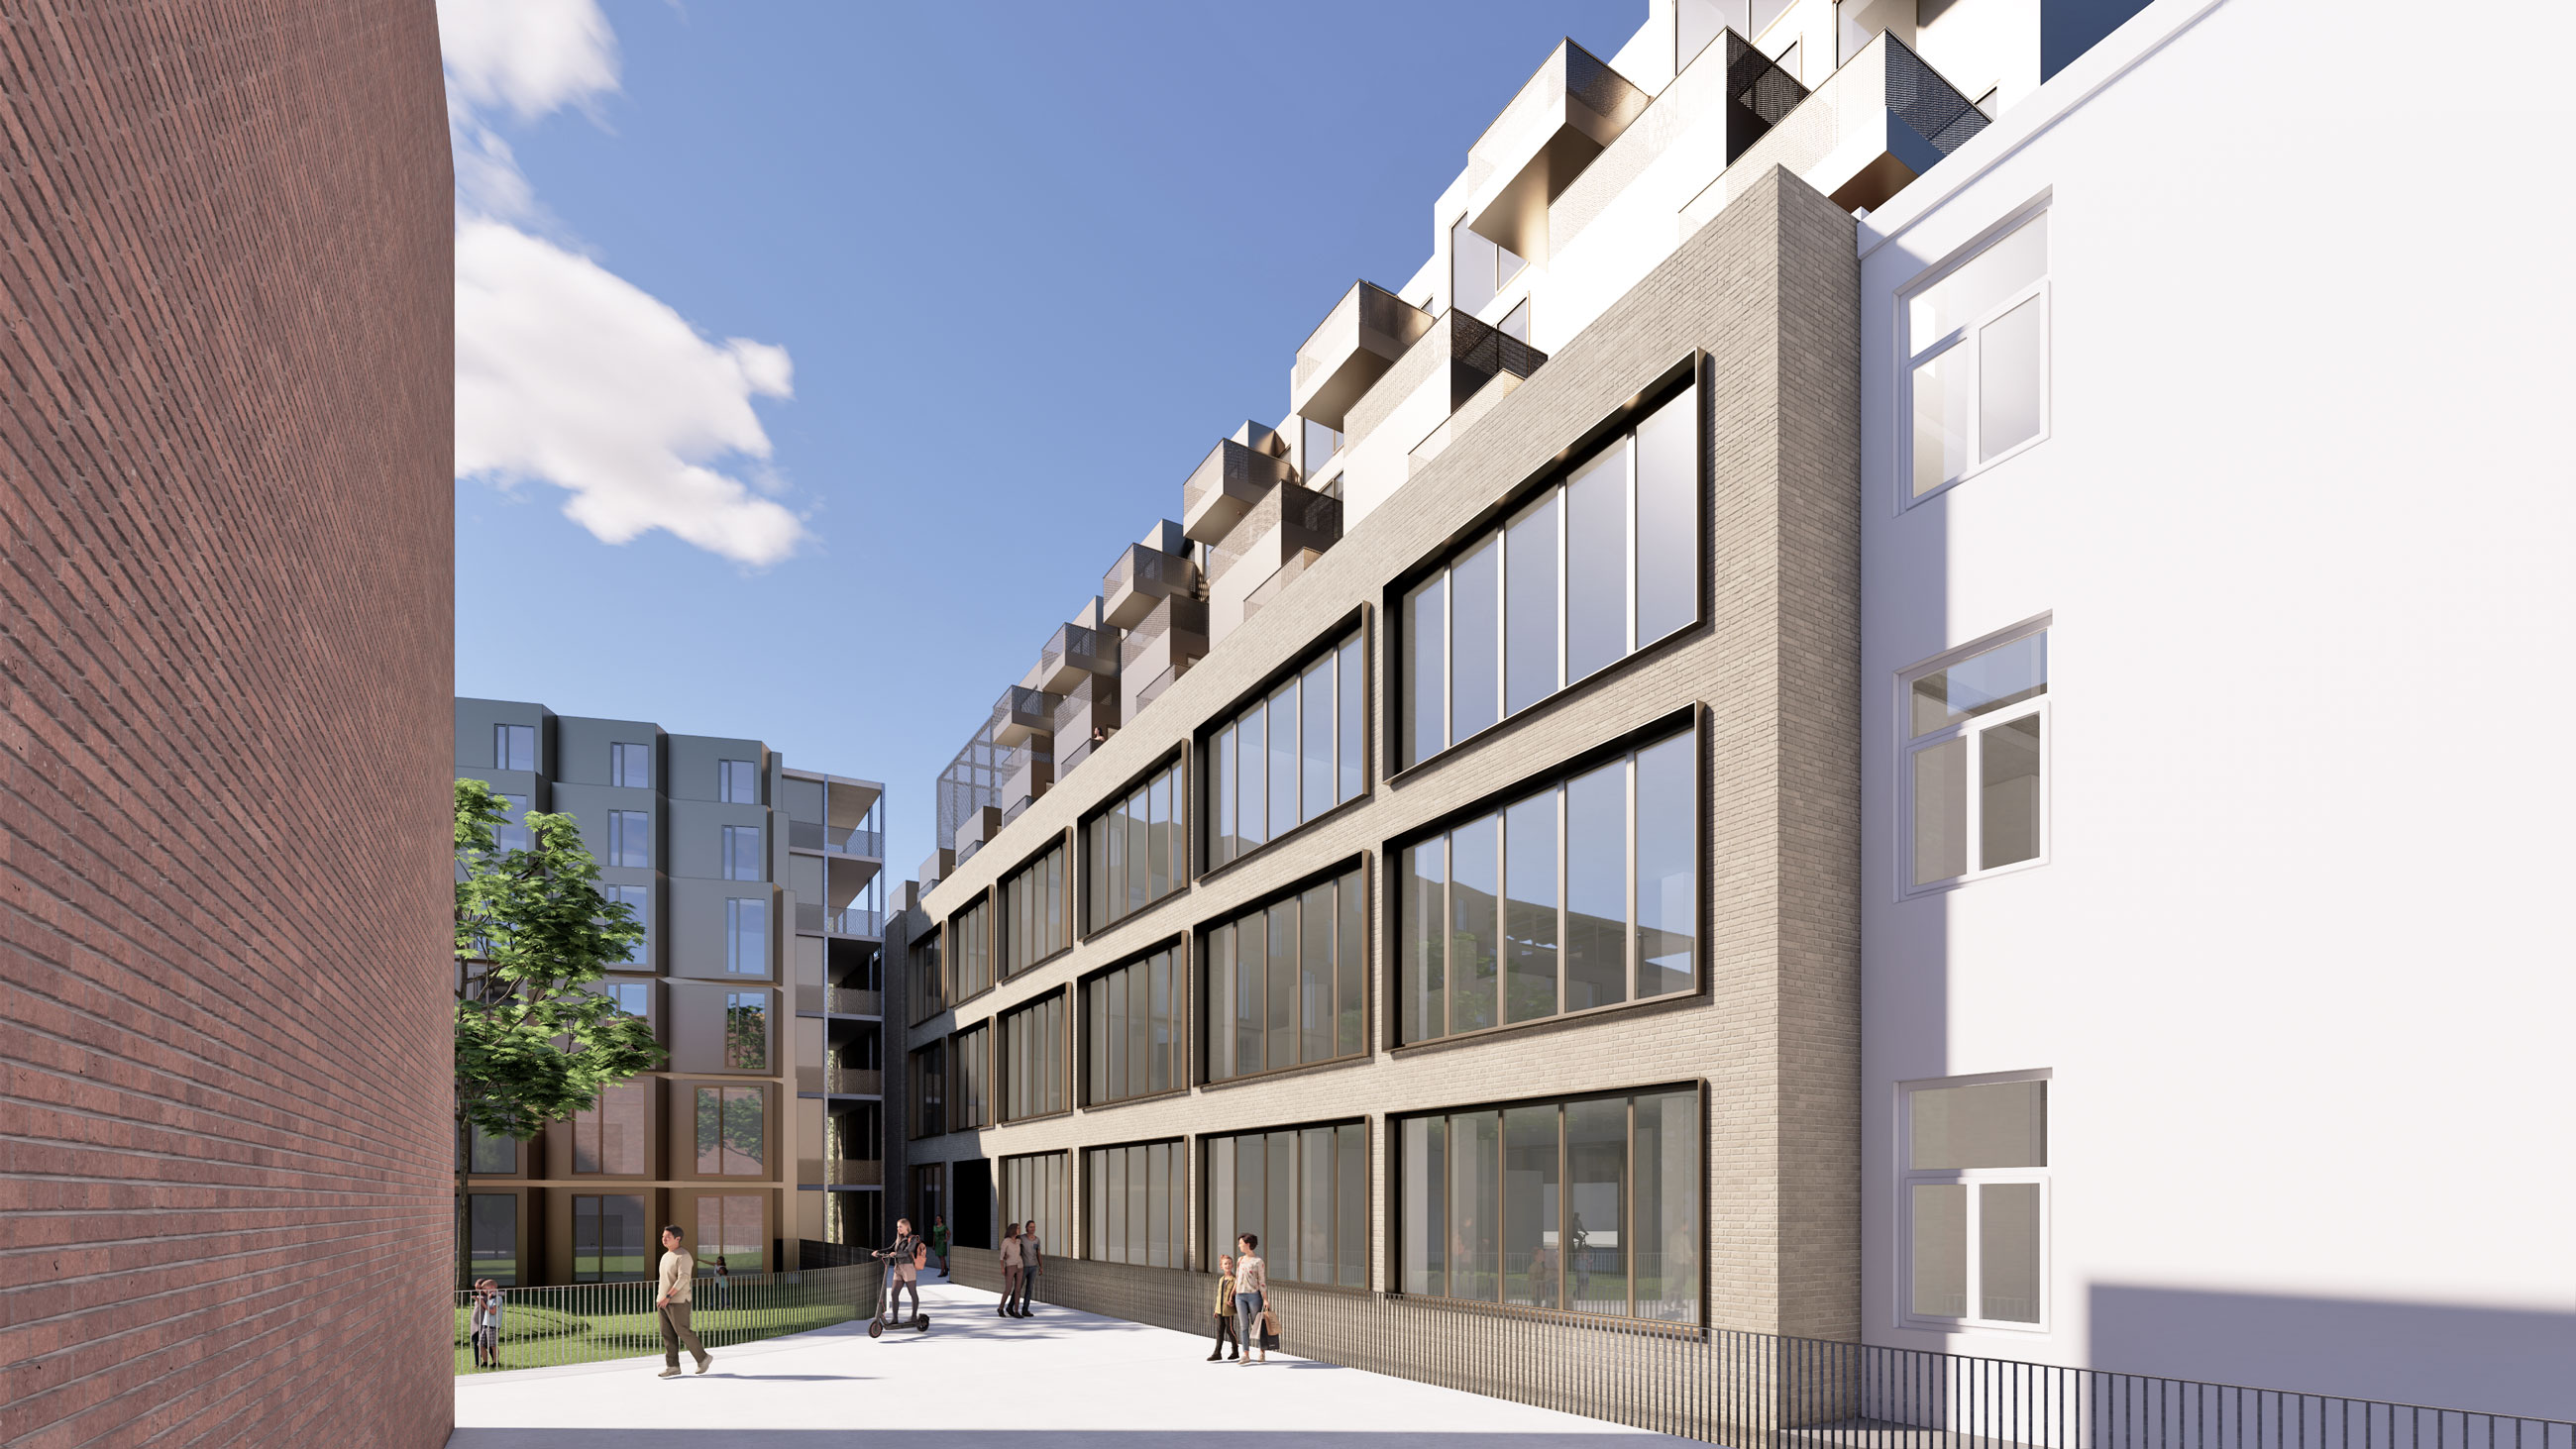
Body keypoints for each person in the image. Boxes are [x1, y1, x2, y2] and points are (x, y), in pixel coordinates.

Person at [653, 1224, 712, 1379]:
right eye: (663, 1236)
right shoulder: (666, 1256)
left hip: (677, 1300)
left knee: (682, 1331)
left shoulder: (683, 1256)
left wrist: (668, 1296)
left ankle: (703, 1358)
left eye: (668, 1237)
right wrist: (660, 1298)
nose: (664, 1239)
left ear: (677, 1238)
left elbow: (683, 1279)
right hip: (663, 1301)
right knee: (667, 1334)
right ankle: (672, 1366)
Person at [1232, 1233, 1269, 1366]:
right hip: (1240, 1296)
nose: (1239, 1245)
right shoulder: (1240, 1259)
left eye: (1240, 1243)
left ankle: (1262, 1352)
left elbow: (1262, 1281)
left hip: (1254, 1296)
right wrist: (1232, 1294)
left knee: (1256, 1325)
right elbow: (1237, 1278)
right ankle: (1246, 1354)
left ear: (1248, 1244)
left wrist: (1265, 1299)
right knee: (1243, 1325)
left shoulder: (1258, 1261)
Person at [879, 1217, 923, 1322]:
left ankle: (913, 1317)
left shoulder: (912, 1238)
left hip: (908, 1268)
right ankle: (894, 1319)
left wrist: (896, 1254)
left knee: (912, 1292)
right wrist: (878, 1252)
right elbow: (890, 1248)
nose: (898, 1229)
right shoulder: (899, 1238)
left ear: (907, 1227)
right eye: (897, 1227)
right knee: (894, 1293)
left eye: (900, 1227)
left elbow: (908, 1252)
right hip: (898, 1268)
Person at [1206, 1254, 1238, 1362]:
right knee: (1219, 1331)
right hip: (1219, 1309)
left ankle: (1235, 1351)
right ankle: (1217, 1353)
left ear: (1232, 1265)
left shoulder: (1235, 1280)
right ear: (1221, 1266)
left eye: (1229, 1263)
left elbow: (1236, 1295)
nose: (1228, 1265)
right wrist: (1216, 1309)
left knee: (1230, 1330)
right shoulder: (1221, 1279)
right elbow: (1218, 1295)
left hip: (1228, 1310)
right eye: (1225, 1264)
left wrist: (1233, 1303)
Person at [469, 1280, 503, 1369]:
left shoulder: (497, 1298)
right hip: (485, 1324)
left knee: (493, 1345)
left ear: (492, 1287)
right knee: (480, 1344)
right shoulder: (491, 1298)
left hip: (493, 1325)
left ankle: (496, 1363)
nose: (482, 1290)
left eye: (484, 1288)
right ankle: (485, 1362)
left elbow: (493, 1312)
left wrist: (482, 1303)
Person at [1014, 1220, 1042, 1317]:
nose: (1033, 1229)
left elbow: (1038, 1253)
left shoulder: (1037, 1240)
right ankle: (1010, 1306)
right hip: (1023, 1267)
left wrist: (1041, 1266)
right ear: (1026, 1228)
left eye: (1034, 1227)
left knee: (1029, 1289)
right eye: (1030, 1227)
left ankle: (1025, 1309)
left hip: (1033, 1267)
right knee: (1018, 1288)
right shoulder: (1021, 1238)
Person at [997, 1222, 1021, 1318]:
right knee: (1008, 1289)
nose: (1019, 1230)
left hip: (1020, 1266)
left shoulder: (1019, 1241)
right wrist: (1002, 1267)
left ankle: (1016, 1311)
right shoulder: (1006, 1241)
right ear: (1013, 1229)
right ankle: (1000, 1308)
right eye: (1018, 1228)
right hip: (1010, 1266)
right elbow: (1002, 1256)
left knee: (1018, 1290)